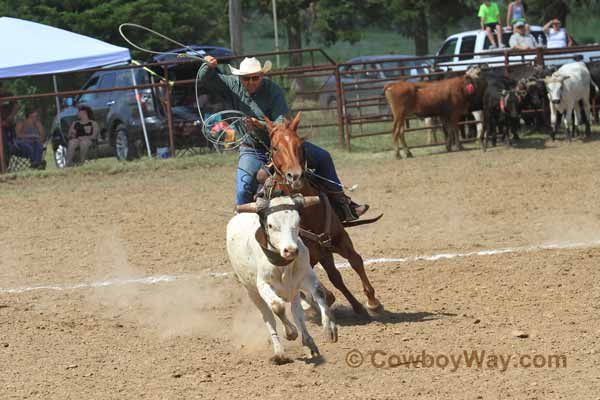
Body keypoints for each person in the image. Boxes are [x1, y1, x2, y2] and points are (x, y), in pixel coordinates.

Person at [198, 55, 368, 221]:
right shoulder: (232, 84)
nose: (250, 82)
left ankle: (343, 203)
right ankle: (243, 224)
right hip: (252, 148)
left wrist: (260, 124)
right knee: (244, 186)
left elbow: (281, 123)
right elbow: (206, 79)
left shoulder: (273, 91)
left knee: (323, 157)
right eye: (246, 78)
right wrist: (208, 65)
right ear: (240, 77)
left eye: (255, 78)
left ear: (262, 76)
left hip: (282, 146)